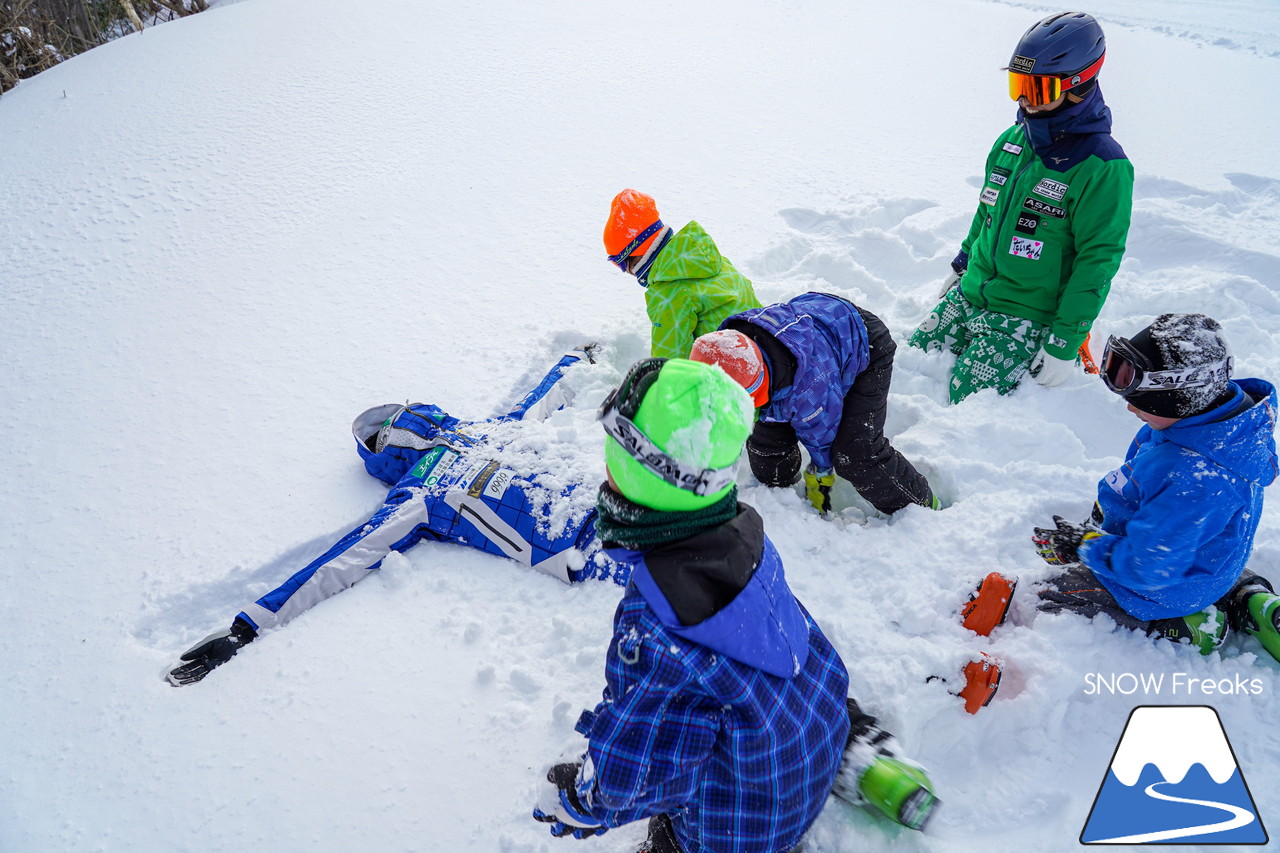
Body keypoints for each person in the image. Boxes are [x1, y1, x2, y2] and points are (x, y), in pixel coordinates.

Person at [531, 357, 939, 853]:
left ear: (641, 472)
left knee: (671, 834)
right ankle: (847, 749)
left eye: (614, 453)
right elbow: (800, 646)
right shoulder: (745, 538)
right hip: (816, 740)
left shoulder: (657, 625)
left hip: (744, 829)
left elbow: (637, 765)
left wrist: (585, 796)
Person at [166, 346, 624, 686]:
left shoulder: (483, 429)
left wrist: (576, 360)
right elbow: (339, 562)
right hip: (586, 551)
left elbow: (541, 398)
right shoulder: (418, 497)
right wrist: (247, 629)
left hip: (617, 500)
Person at [908, 12, 1134, 404]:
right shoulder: (1012, 141)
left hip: (1027, 314)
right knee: (912, 359)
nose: (1025, 99)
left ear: (1078, 84)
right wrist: (963, 263)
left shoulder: (1102, 167)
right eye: (1018, 84)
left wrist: (1065, 341)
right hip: (971, 293)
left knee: (965, 396)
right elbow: (988, 209)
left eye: (1040, 89)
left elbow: (1097, 261)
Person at [1026, 314, 1280, 657]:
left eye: (1143, 402)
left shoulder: (1191, 476)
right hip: (1201, 559)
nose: (1130, 407)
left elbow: (1148, 567)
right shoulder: (1220, 425)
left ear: (1179, 400)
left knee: (1048, 593)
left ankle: (1180, 625)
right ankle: (1243, 594)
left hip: (1159, 583)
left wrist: (1084, 546)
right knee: (1203, 560)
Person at [690, 292, 938, 516]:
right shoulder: (723, 352)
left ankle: (923, 506)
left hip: (863, 341)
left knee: (855, 454)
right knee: (767, 447)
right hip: (812, 323)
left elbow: (823, 434)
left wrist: (820, 474)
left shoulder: (809, 389)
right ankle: (783, 497)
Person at [603, 189, 761, 360]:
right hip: (764, 349)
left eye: (620, 263)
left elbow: (669, 363)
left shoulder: (668, 293)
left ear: (635, 255)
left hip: (735, 375)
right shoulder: (708, 259)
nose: (626, 272)